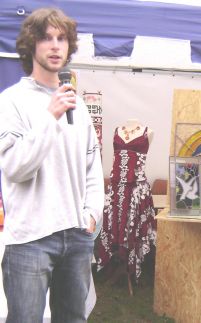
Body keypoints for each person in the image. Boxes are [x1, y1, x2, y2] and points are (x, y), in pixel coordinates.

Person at [0, 7, 104, 323]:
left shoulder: (78, 105)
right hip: (29, 239)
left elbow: (92, 166)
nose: (56, 46)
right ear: (31, 45)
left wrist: (91, 215)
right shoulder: (11, 101)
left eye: (62, 38)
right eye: (47, 38)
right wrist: (50, 117)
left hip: (75, 236)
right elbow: (16, 167)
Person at [98, 118, 156, 295]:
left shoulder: (148, 131)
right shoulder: (117, 130)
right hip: (116, 189)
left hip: (136, 190)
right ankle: (117, 263)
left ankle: (129, 266)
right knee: (113, 227)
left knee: (133, 228)